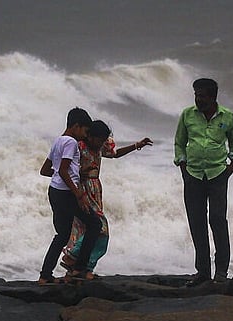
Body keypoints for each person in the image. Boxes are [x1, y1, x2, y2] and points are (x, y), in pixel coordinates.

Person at [174, 78, 233, 286]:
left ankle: (221, 271)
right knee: (197, 223)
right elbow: (179, 142)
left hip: (218, 174)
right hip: (193, 175)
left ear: (212, 97)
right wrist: (182, 165)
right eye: (196, 95)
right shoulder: (187, 115)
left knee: (217, 220)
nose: (198, 99)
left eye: (202, 95)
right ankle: (202, 271)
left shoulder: (227, 116)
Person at [60, 120, 153, 276]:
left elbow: (115, 154)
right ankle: (73, 257)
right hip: (82, 190)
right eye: (98, 140)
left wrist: (137, 145)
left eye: (103, 140)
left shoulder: (101, 146)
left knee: (90, 230)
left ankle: (82, 268)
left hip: (95, 188)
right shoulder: (79, 147)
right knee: (99, 227)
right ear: (89, 136)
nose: (101, 143)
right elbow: (67, 166)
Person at [38, 107, 98, 284]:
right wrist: (79, 193)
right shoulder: (71, 142)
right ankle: (79, 268)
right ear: (76, 126)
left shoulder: (58, 141)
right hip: (66, 194)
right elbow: (63, 170)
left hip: (55, 191)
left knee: (63, 234)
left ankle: (45, 275)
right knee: (94, 224)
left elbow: (46, 170)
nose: (86, 136)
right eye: (85, 131)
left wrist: (75, 173)